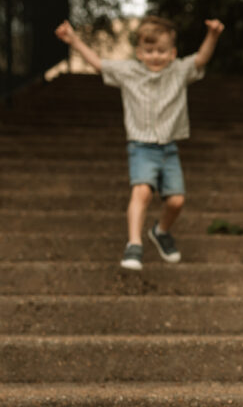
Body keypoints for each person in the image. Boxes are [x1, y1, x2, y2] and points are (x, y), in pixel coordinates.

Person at [55, 15, 224, 270]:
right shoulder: (129, 72)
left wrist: (212, 35)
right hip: (141, 147)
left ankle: (160, 231)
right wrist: (74, 40)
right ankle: (134, 243)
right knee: (142, 191)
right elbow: (100, 64)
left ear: (172, 52)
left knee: (177, 201)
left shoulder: (178, 71)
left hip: (169, 148)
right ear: (139, 52)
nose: (155, 56)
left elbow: (201, 58)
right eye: (149, 50)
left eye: (161, 51)